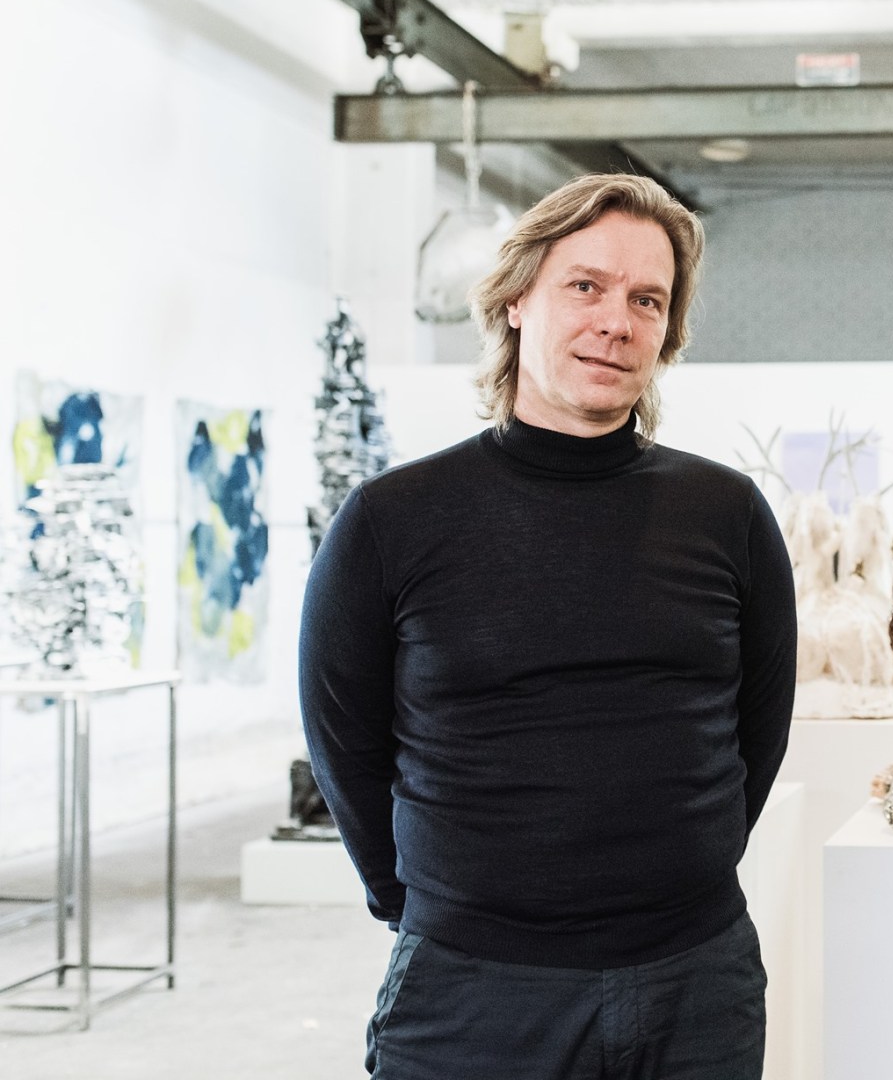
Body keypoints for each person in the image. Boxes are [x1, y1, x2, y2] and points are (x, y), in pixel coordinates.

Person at [299, 173, 796, 1080]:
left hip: (696, 982)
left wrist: (680, 874)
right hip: (475, 993)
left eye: (647, 300)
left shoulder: (727, 515)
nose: (616, 321)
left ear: (667, 332)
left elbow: (757, 732)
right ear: (517, 300)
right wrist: (428, 903)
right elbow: (344, 744)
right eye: (585, 286)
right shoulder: (391, 520)